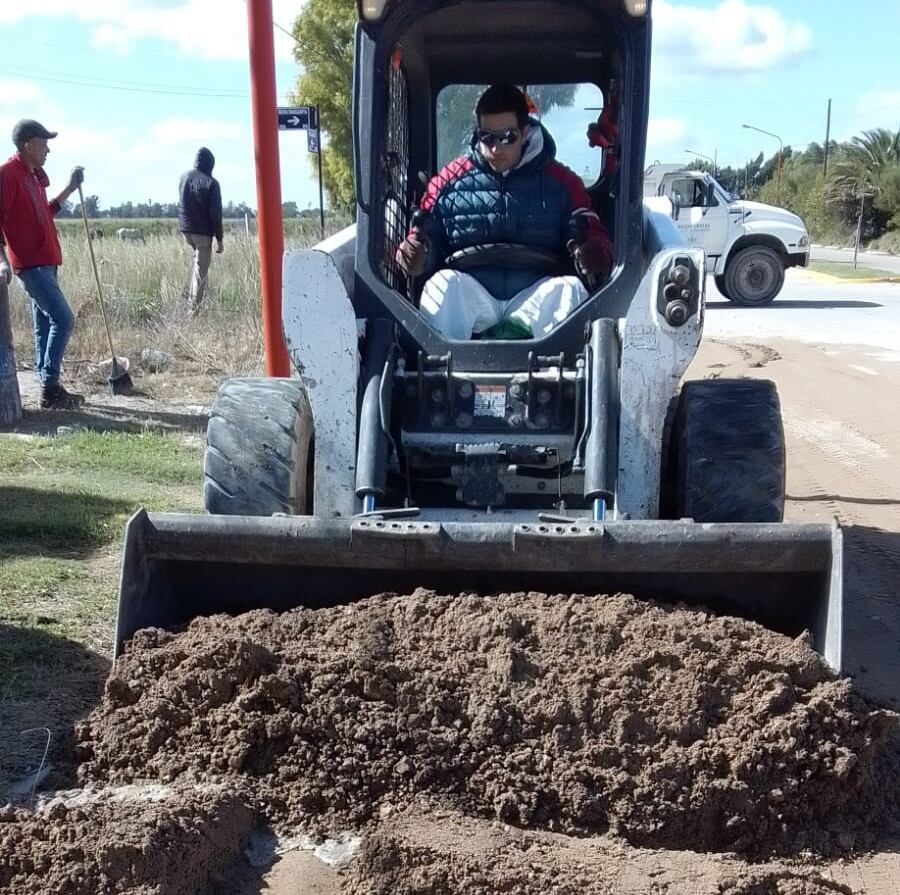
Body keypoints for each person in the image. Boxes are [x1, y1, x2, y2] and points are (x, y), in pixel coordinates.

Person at [396, 84, 613, 340]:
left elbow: (595, 236)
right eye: (487, 137)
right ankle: (442, 377)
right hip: (474, 298)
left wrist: (594, 252)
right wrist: (416, 254)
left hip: (534, 297)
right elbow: (424, 237)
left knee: (571, 290)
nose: (496, 148)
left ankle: (552, 376)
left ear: (524, 132)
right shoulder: (448, 181)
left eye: (507, 137)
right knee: (442, 286)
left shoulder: (564, 183)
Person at [0, 119, 85, 409]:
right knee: (63, 319)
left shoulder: (33, 176)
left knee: (44, 326)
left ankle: (46, 389)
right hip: (31, 264)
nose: (48, 149)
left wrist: (70, 188)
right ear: (28, 145)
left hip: (46, 262)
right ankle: (50, 386)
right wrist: (3, 261)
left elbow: (47, 213)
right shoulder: (8, 175)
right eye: (44, 142)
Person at [178, 147, 223, 314]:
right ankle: (193, 312)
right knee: (200, 272)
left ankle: (191, 300)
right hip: (202, 232)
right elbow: (215, 213)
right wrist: (219, 239)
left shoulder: (184, 176)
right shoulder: (211, 183)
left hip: (186, 230)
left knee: (198, 265)